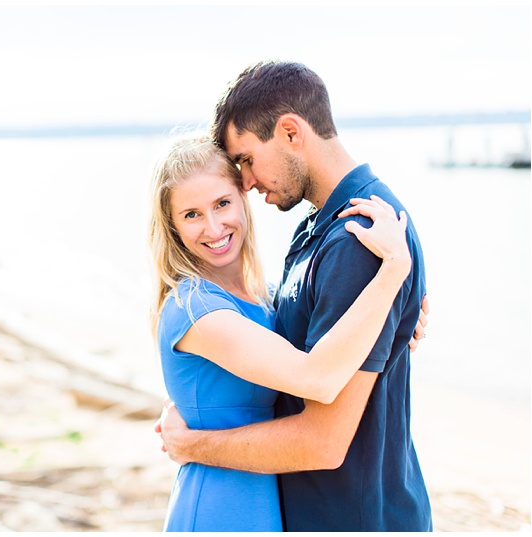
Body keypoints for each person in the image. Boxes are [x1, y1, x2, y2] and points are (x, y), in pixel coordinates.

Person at [155, 61, 432, 531]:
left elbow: (323, 433)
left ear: (290, 132)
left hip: (354, 517)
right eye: (192, 214)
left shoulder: (358, 240)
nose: (245, 182)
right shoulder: (316, 233)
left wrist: (192, 444)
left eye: (245, 159)